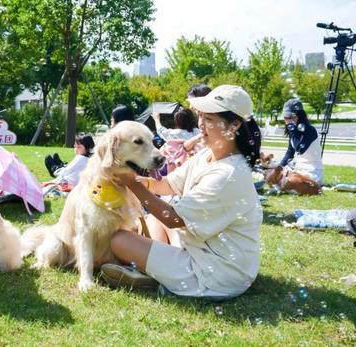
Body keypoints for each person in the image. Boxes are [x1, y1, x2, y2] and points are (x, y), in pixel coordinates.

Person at [100, 85, 263, 299]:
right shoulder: (207, 155)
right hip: (200, 249)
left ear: (234, 125)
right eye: (201, 116)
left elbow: (175, 219)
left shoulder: (228, 174)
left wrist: (133, 185)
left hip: (216, 274)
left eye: (210, 120)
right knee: (153, 221)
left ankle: (154, 273)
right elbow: (168, 185)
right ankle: (152, 270)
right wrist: (142, 180)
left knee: (119, 240)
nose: (201, 124)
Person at [264, 99, 323, 195]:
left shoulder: (310, 130)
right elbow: (289, 153)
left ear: (300, 116)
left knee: (288, 181)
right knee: (269, 174)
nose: (288, 121)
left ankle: (286, 185)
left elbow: (300, 148)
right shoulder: (294, 131)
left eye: (291, 117)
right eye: (286, 118)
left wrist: (292, 129)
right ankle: (286, 185)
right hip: (298, 169)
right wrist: (279, 167)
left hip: (312, 172)